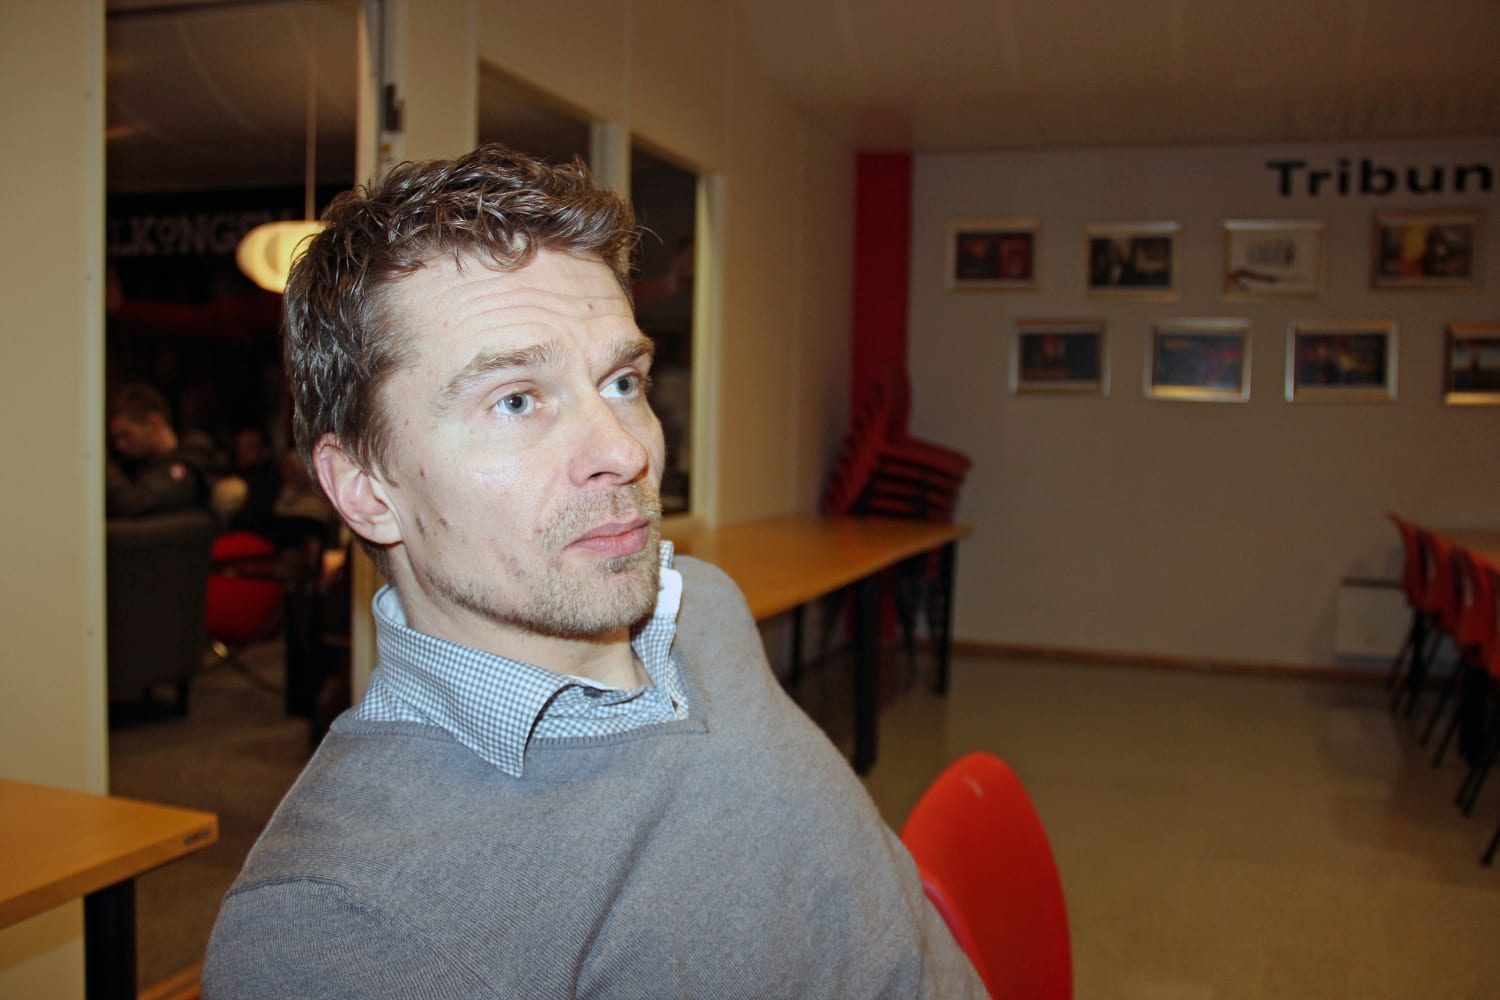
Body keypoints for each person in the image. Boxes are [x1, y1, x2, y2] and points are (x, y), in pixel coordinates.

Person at [202, 144, 984, 998]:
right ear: (364, 488)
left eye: (621, 382)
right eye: (515, 400)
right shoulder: (333, 929)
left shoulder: (704, 612)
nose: (624, 449)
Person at [105, 381, 222, 517]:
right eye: (116, 438)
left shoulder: (190, 464)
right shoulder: (131, 465)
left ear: (154, 422)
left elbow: (133, 504)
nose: (120, 446)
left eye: (126, 435)